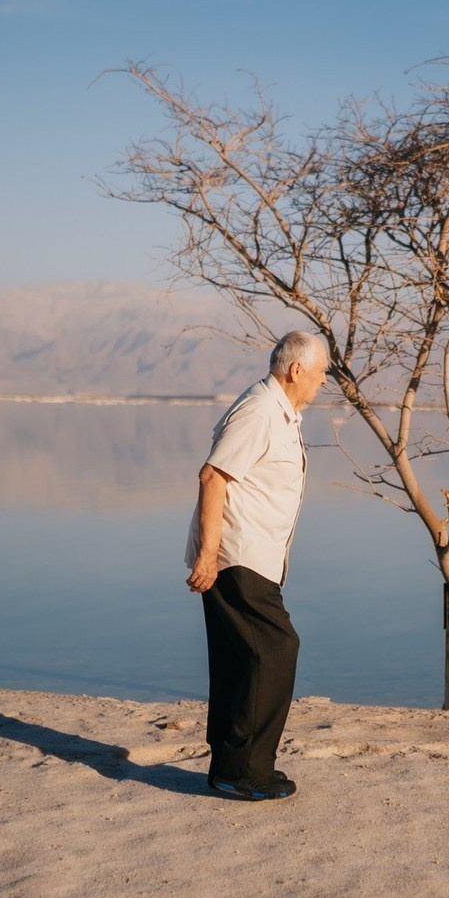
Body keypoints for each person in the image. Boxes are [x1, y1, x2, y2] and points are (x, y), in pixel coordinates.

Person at [184, 330, 330, 801]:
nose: (324, 381)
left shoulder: (283, 414)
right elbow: (213, 475)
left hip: (254, 557)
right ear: (296, 370)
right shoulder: (260, 411)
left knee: (238, 660)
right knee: (275, 649)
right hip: (236, 555)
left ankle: (229, 767)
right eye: (322, 372)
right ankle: (245, 769)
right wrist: (209, 554)